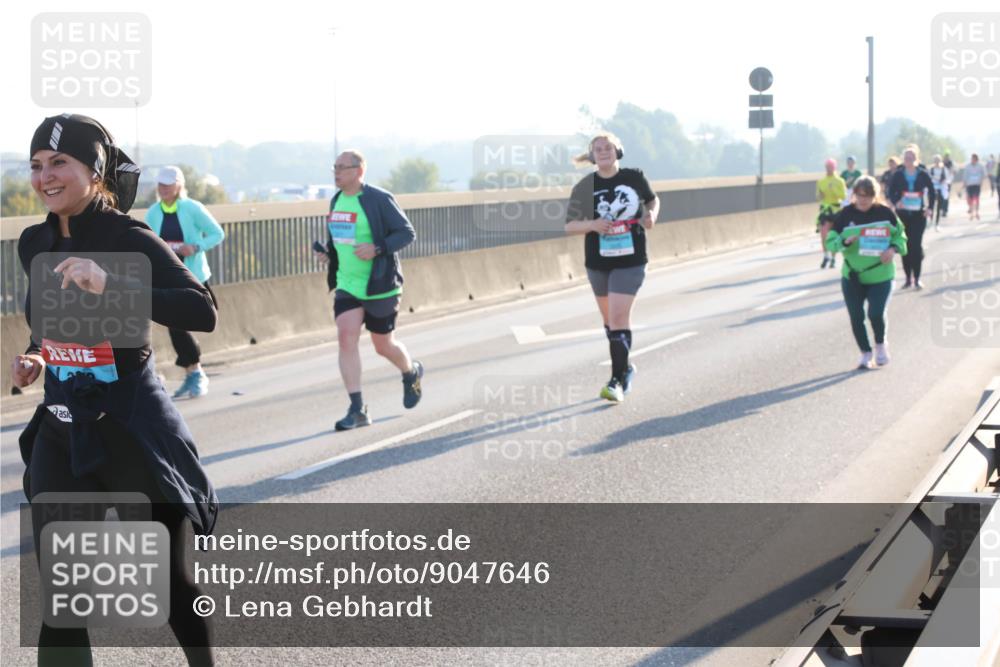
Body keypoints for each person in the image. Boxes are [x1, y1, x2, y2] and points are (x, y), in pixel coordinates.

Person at [12, 114, 217, 666]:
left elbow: (202, 310)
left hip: (131, 431)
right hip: (62, 432)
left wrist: (113, 282)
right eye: (36, 165)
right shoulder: (34, 243)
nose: (45, 176)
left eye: (60, 163)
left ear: (95, 171)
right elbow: (51, 320)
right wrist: (35, 355)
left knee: (168, 587)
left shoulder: (130, 238)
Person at [313, 149, 423, 430]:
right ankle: (357, 408)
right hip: (348, 284)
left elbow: (406, 232)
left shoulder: (379, 198)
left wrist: (377, 248)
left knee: (383, 346)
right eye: (334, 167)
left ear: (359, 171)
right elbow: (341, 239)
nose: (336, 172)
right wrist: (329, 253)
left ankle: (410, 372)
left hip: (380, 284)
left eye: (342, 167)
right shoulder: (337, 200)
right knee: (346, 337)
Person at [565, 133, 659, 403]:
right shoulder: (585, 186)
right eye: (598, 148)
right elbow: (569, 225)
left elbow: (653, 200)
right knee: (609, 322)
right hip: (598, 261)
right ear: (592, 156)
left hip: (631, 260)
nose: (604, 151)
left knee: (619, 318)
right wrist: (592, 225)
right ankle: (626, 365)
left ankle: (617, 380)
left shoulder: (633, 177)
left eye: (608, 147)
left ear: (618, 151)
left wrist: (652, 215)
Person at [145, 165, 226, 398]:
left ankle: (194, 372)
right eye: (161, 185)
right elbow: (150, 242)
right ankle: (195, 373)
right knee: (176, 324)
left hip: (194, 275)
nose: (164, 189)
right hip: (168, 276)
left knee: (205, 317)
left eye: (169, 184)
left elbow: (216, 233)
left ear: (179, 185)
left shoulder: (192, 208)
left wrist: (196, 247)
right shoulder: (153, 213)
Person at [825, 176, 907, 370]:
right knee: (856, 316)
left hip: (880, 274)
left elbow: (901, 237)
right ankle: (865, 353)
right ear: (854, 195)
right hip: (853, 276)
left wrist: (893, 249)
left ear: (874, 196)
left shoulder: (886, 213)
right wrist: (843, 243)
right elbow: (831, 241)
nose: (863, 200)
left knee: (876, 313)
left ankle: (880, 344)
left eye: (868, 196)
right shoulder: (845, 214)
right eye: (859, 195)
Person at [887, 145, 935, 289]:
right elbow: (890, 191)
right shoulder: (898, 174)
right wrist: (896, 202)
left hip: (919, 215)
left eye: (911, 157)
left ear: (917, 159)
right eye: (906, 158)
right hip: (903, 215)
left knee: (915, 246)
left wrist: (930, 208)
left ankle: (917, 278)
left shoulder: (923, 173)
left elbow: (932, 191)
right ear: (903, 159)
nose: (908, 160)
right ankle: (908, 278)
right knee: (905, 247)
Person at [816, 158, 846, 269]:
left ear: (835, 167)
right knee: (824, 234)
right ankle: (826, 255)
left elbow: (843, 196)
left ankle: (833, 257)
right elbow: (818, 197)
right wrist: (820, 195)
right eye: (827, 167)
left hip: (836, 209)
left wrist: (833, 190)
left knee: (835, 234)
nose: (829, 169)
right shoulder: (821, 182)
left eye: (831, 167)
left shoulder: (840, 181)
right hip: (825, 209)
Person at [928, 154, 951, 230]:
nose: (937, 162)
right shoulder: (931, 169)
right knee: (932, 206)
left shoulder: (943, 169)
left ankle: (937, 223)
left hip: (941, 188)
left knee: (939, 207)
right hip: (933, 189)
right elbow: (929, 179)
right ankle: (930, 221)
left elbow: (946, 178)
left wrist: (941, 181)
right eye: (935, 160)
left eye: (938, 160)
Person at [962, 153, 987, 221]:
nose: (972, 160)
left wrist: (981, 181)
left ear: (976, 159)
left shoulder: (980, 166)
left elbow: (984, 174)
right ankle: (971, 213)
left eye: (973, 158)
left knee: (976, 199)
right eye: (971, 158)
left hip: (977, 184)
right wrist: (964, 183)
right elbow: (965, 175)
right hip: (969, 184)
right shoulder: (968, 166)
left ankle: (977, 212)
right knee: (970, 200)